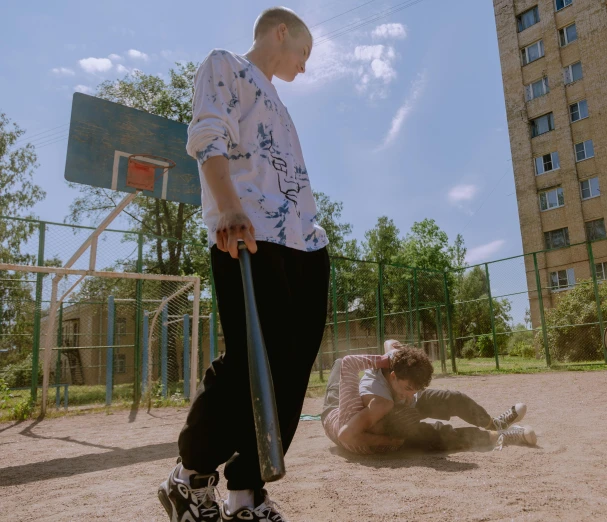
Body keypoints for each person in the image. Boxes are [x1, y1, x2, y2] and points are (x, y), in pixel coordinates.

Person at [158, 7, 327, 522]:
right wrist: (228, 206)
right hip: (249, 231)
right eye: (304, 52)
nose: (304, 66)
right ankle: (189, 477)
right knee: (254, 361)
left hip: (305, 242)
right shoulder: (225, 64)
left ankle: (246, 494)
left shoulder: (275, 97)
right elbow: (207, 135)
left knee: (293, 368)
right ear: (281, 33)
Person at [322, 341, 536, 455]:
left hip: (391, 409)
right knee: (435, 434)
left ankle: (495, 424)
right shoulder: (380, 401)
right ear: (393, 376)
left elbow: (390, 342)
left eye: (415, 389)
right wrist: (389, 441)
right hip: (371, 416)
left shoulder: (405, 381)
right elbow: (346, 435)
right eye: (408, 388)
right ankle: (498, 436)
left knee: (453, 398)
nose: (411, 394)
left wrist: (393, 353)